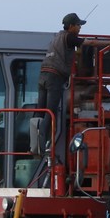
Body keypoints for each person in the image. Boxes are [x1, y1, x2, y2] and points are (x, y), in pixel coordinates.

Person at [35, 12, 87, 160]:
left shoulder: (56, 38)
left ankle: (34, 143)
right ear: (71, 26)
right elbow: (87, 43)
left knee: (40, 111)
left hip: (43, 76)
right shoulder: (69, 37)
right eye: (78, 25)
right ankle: (42, 145)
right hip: (54, 78)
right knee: (50, 112)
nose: (79, 28)